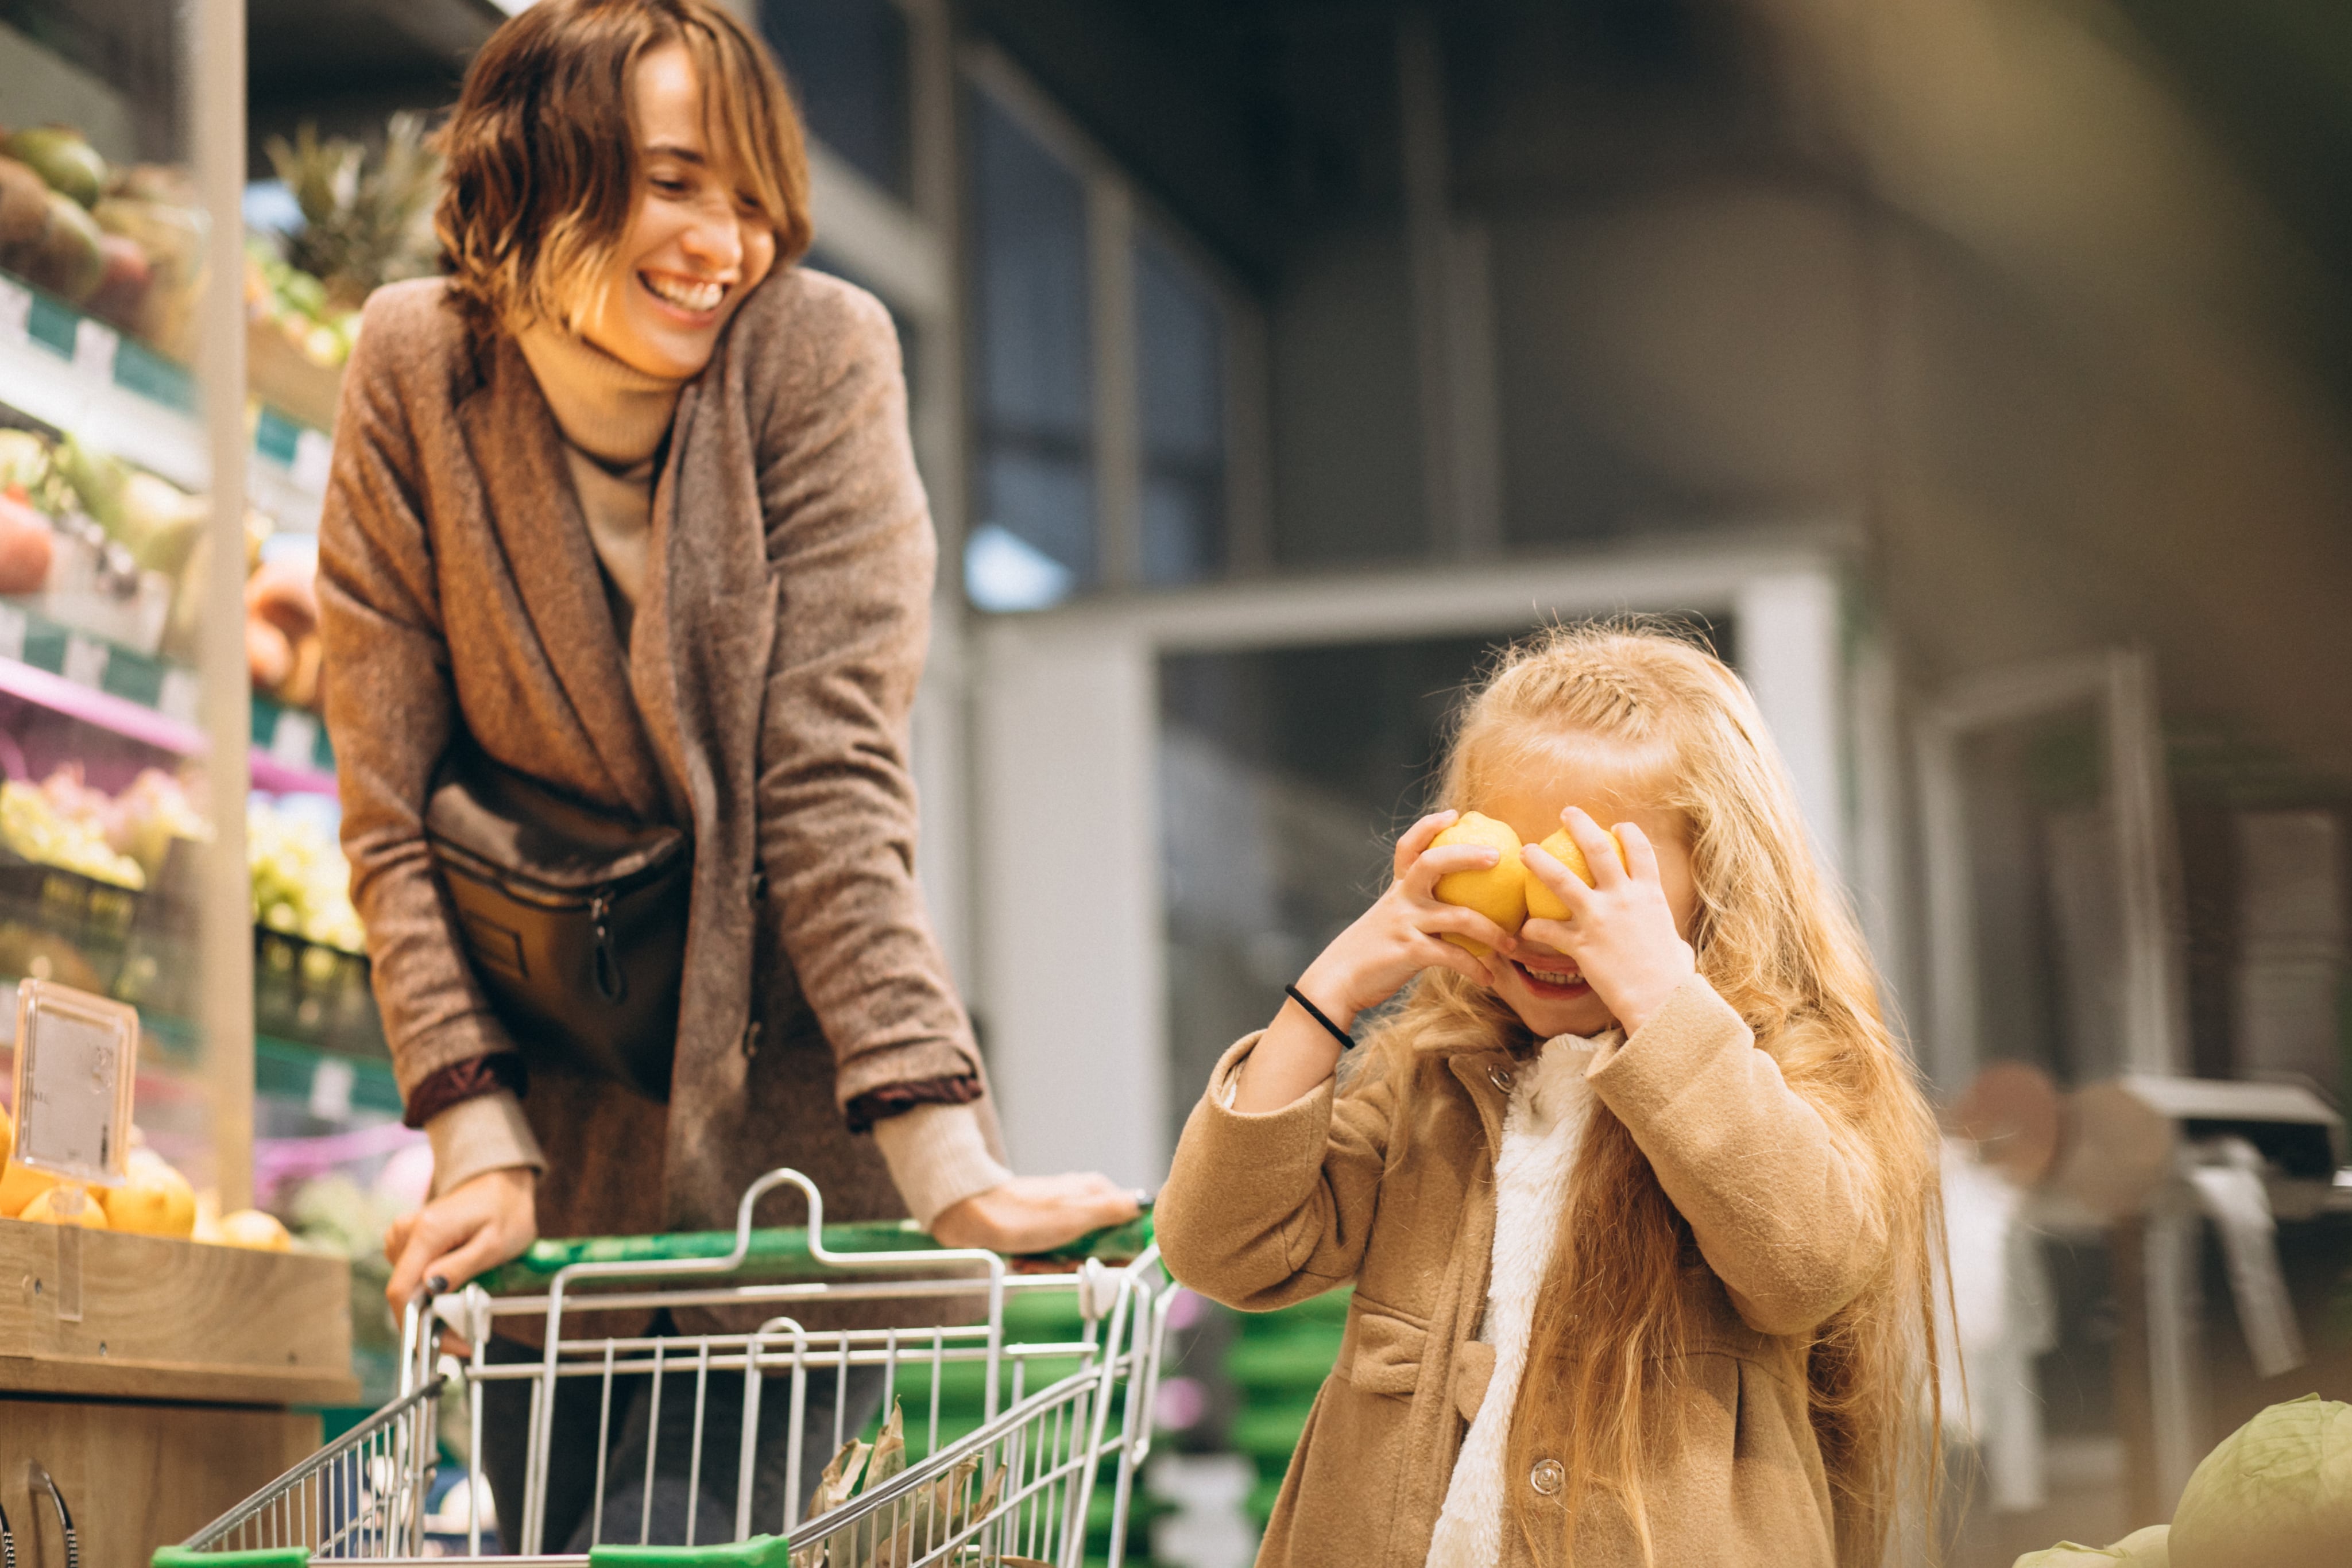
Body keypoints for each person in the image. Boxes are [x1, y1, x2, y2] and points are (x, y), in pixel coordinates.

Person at [316, 0, 1135, 1544]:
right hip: (558, 1147)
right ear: (535, 166)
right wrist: (475, 1138)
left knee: (689, 1523)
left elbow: (833, 785)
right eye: (679, 180)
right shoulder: (415, 370)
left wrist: (951, 1161)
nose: (730, 240)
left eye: (754, 195)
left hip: (796, 1151)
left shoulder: (817, 361)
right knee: (544, 1532)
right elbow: (389, 800)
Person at [1154, 624, 1943, 1568]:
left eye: (1594, 882)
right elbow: (1219, 1247)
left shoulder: (1780, 1062)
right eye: (1513, 875)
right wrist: (1327, 997)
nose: (1542, 926)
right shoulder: (1432, 1074)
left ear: (1718, 876)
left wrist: (1661, 1004)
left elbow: (1806, 1264)